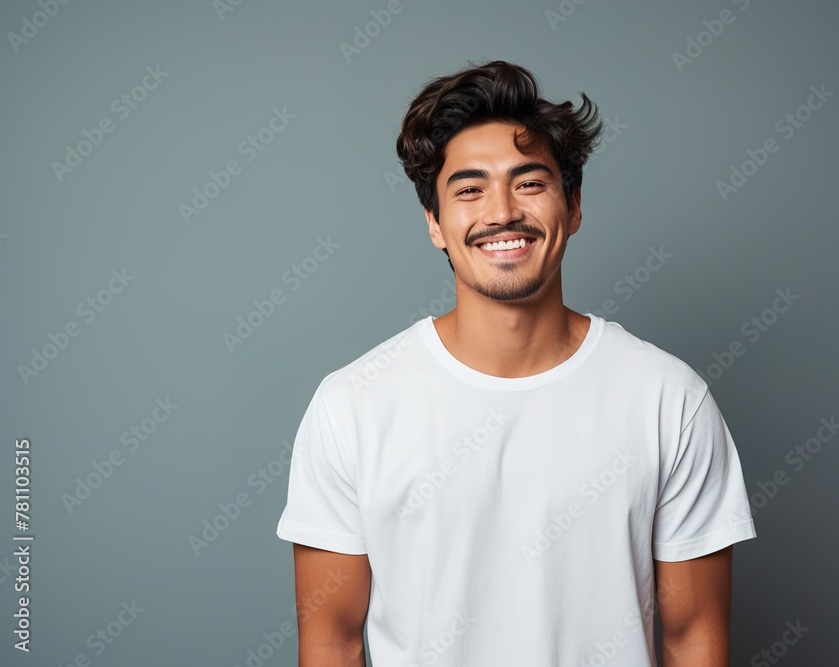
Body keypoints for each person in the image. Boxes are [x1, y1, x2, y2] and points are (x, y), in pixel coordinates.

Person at [276, 59, 756, 666]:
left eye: (529, 183)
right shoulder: (353, 405)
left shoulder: (670, 400)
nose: (501, 212)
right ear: (434, 223)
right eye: (469, 189)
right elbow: (331, 641)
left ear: (573, 206)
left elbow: (694, 639)